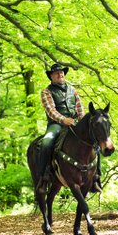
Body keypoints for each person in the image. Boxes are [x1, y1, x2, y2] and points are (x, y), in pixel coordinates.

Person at [37, 63, 85, 192]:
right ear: (51, 76)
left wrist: (82, 123)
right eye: (57, 73)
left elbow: (80, 109)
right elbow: (50, 110)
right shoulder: (46, 92)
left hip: (74, 123)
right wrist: (64, 120)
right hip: (56, 124)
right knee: (46, 142)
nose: (60, 74)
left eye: (62, 72)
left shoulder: (73, 90)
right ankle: (44, 177)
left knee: (93, 139)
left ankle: (96, 176)